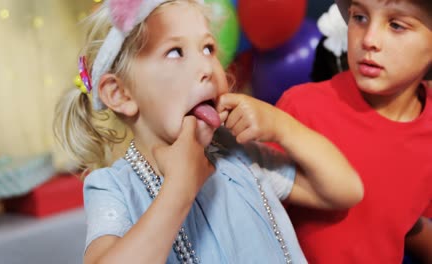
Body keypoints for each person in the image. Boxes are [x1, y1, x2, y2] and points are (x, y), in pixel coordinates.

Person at [53, 0, 363, 263]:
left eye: (208, 47)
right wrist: (179, 188)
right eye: (175, 51)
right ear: (120, 94)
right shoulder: (113, 187)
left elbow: (346, 190)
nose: (207, 67)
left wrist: (281, 127)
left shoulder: (238, 156)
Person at [271, 0, 432, 263]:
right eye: (359, 17)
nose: (369, 40)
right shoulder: (301, 110)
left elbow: (403, 219)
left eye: (396, 25)